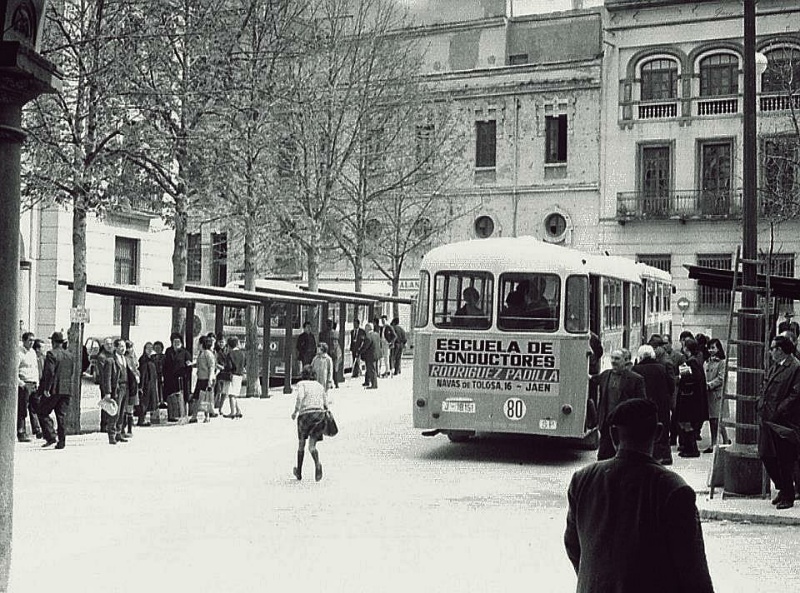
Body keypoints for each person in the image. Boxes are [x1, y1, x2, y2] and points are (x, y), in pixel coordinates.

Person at [564, 398, 715, 593]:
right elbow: (693, 572)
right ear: (659, 432)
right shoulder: (673, 490)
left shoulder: (583, 480)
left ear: (614, 435)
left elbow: (573, 546)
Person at [758, 334, 800, 510]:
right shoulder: (776, 366)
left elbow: (795, 394)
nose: (770, 352)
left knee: (785, 459)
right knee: (766, 454)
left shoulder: (795, 367)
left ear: (781, 351)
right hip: (769, 417)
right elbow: (767, 386)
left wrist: (780, 410)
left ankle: (788, 495)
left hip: (785, 421)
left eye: (773, 348)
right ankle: (782, 488)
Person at [589, 349, 646, 461]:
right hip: (606, 424)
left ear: (625, 361)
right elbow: (591, 379)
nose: (613, 361)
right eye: (612, 358)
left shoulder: (636, 379)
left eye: (617, 359)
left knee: (623, 457)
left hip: (624, 425)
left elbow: (641, 403)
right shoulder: (605, 375)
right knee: (603, 457)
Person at [632, 344, 674, 465]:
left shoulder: (636, 370)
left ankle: (649, 455)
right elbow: (671, 385)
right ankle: (665, 456)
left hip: (644, 404)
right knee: (663, 428)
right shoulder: (661, 368)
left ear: (640, 356)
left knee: (645, 429)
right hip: (661, 403)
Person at [35, 332, 74, 449]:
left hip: (54, 389)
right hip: (66, 389)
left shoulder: (51, 354)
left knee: (42, 412)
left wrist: (46, 388)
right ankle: (61, 441)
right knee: (61, 415)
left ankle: (51, 435)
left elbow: (49, 372)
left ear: (53, 342)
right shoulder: (69, 355)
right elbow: (71, 372)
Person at [291, 365, 329, 482]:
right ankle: (317, 464)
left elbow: (300, 397)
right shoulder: (319, 385)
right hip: (319, 414)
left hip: (305, 415)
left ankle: (299, 471)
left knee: (301, 443)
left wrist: (295, 411)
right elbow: (325, 402)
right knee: (312, 446)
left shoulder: (302, 384)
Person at [675, 337, 707, 458]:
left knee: (687, 424)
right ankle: (689, 448)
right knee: (687, 424)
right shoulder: (695, 361)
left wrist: (682, 376)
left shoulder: (691, 362)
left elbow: (690, 379)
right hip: (692, 398)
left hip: (689, 398)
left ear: (687, 349)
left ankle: (691, 449)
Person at [101, 338, 130, 445]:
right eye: (121, 346)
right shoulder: (111, 360)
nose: (123, 349)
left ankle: (119, 432)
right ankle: (111, 435)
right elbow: (107, 377)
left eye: (124, 346)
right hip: (116, 389)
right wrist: (108, 392)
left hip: (125, 387)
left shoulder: (125, 359)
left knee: (122, 412)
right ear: (116, 347)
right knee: (114, 412)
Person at [703, 338, 730, 453]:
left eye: (713, 347)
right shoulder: (707, 362)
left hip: (717, 394)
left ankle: (722, 440)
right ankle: (717, 442)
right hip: (709, 394)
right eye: (709, 348)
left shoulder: (722, 362)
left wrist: (709, 385)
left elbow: (721, 378)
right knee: (712, 420)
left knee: (718, 420)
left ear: (718, 348)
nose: (711, 350)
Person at [17, 331, 42, 442]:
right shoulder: (19, 353)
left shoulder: (32, 352)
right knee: (22, 409)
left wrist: (37, 382)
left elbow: (35, 369)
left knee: (35, 408)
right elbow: (14, 370)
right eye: (29, 340)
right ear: (24, 341)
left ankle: (37, 430)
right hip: (24, 383)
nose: (31, 342)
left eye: (33, 340)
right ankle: (21, 432)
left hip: (33, 383)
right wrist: (21, 383)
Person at [190, 335, 217, 423]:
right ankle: (196, 416)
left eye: (199, 343)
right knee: (198, 397)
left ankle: (206, 416)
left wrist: (210, 379)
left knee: (204, 398)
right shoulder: (201, 353)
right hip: (201, 378)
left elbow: (211, 367)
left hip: (206, 379)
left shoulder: (208, 353)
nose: (198, 344)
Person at [163, 333, 192, 406]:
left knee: (182, 397)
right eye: (174, 342)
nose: (176, 343)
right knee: (171, 396)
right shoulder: (168, 351)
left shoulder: (185, 352)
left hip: (181, 379)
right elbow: (165, 364)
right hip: (170, 378)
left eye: (178, 342)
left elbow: (189, 365)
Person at [222, 336, 245, 419]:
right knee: (235, 394)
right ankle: (238, 410)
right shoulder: (242, 353)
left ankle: (232, 412)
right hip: (240, 374)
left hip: (233, 374)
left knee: (231, 395)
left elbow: (229, 366)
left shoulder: (230, 354)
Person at [137, 342, 159, 426]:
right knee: (144, 402)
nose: (149, 350)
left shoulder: (152, 359)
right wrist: (141, 386)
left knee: (150, 401)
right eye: (148, 348)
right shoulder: (143, 359)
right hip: (145, 383)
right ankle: (141, 420)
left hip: (152, 383)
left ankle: (147, 419)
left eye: (151, 348)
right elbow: (142, 373)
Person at [122, 340, 140, 439]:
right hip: (128, 385)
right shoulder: (125, 358)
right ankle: (124, 428)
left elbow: (137, 369)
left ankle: (129, 429)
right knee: (126, 408)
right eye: (128, 347)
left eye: (131, 347)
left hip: (133, 385)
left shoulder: (133, 357)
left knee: (130, 408)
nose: (130, 349)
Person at [360, 322, 380, 389]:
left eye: (365, 328)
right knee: (371, 369)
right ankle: (367, 381)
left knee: (371, 369)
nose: (365, 329)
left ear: (368, 328)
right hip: (376, 354)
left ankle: (374, 385)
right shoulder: (376, 334)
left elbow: (365, 346)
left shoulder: (368, 336)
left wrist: (360, 352)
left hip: (370, 355)